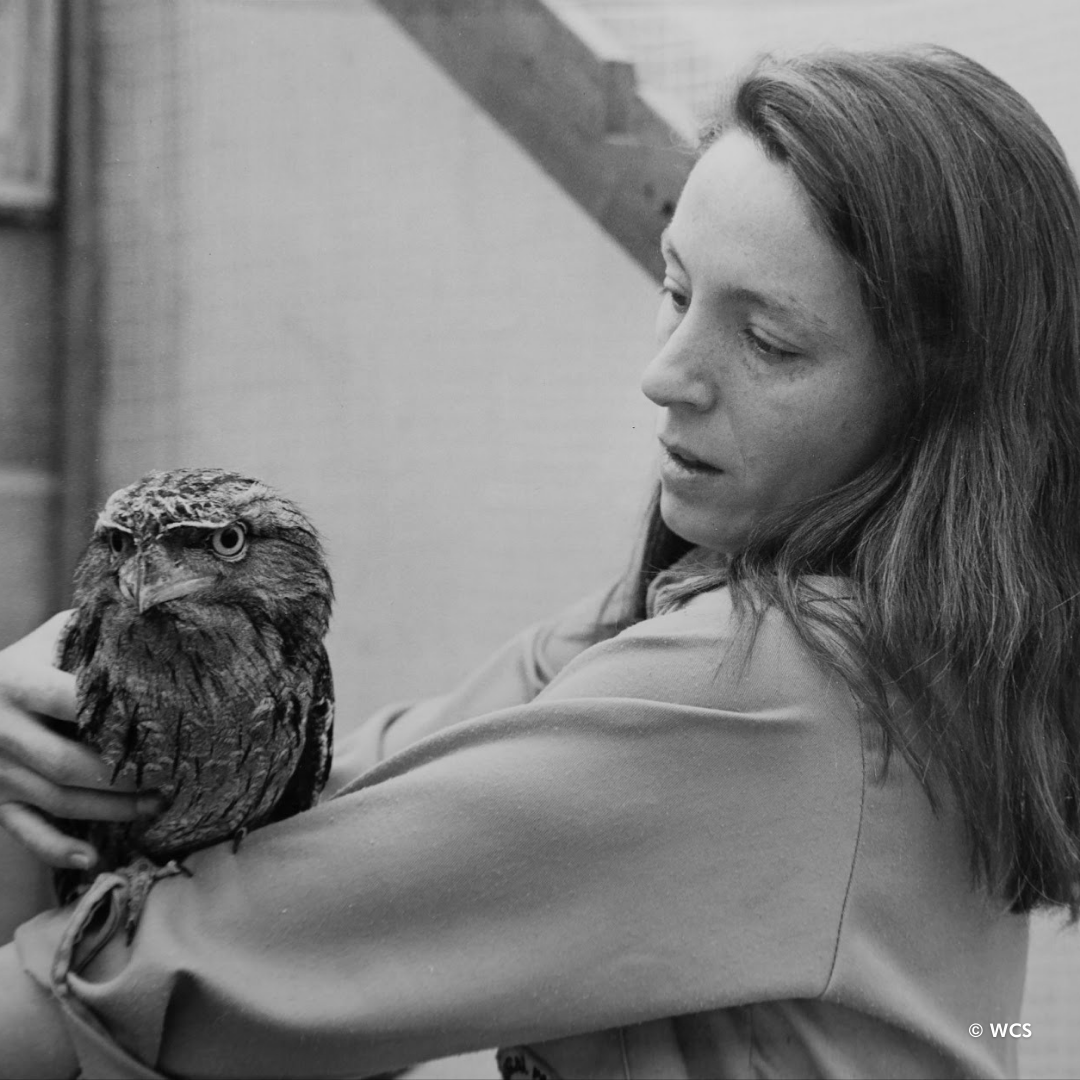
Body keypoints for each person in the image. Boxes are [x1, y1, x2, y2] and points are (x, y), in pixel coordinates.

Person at [1, 43, 1078, 1080]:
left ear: (943, 406)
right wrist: (76, 722)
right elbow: (355, 792)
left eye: (770, 342)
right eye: (674, 287)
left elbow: (175, 975)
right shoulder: (877, 630)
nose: (666, 374)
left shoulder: (776, 688)